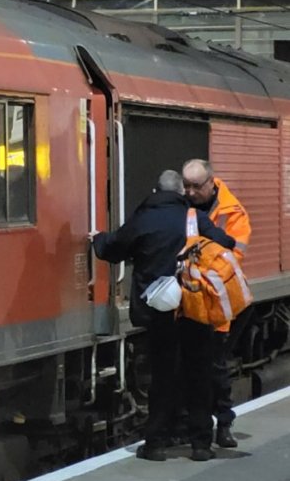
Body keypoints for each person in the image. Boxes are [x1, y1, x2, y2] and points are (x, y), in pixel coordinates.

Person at [92, 170, 236, 462]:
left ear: (156, 192)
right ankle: (201, 445)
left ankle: (156, 444)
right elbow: (227, 243)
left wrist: (97, 239)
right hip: (196, 309)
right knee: (199, 375)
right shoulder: (194, 219)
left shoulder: (144, 218)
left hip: (161, 313)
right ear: (182, 192)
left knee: (162, 378)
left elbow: (113, 248)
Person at [182, 158, 253, 449]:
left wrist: (199, 276)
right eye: (186, 186)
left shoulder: (232, 212)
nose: (189, 192)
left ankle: (223, 423)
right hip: (188, 303)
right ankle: (196, 426)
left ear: (212, 183)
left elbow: (234, 256)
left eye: (196, 187)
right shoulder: (183, 208)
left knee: (216, 369)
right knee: (194, 369)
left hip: (216, 304)